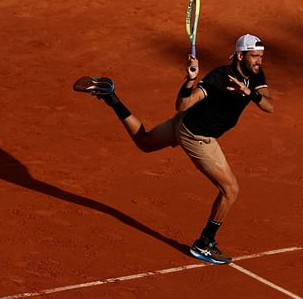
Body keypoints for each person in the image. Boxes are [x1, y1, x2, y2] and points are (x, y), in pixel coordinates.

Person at [73, 34, 274, 265]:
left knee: (145, 143)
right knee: (230, 190)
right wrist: (190, 80)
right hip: (197, 136)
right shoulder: (219, 78)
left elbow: (268, 105)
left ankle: (111, 97)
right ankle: (204, 243)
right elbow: (182, 105)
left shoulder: (255, 74)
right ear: (241, 55)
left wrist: (252, 94)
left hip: (183, 123)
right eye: (255, 56)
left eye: (261, 56)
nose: (259, 60)